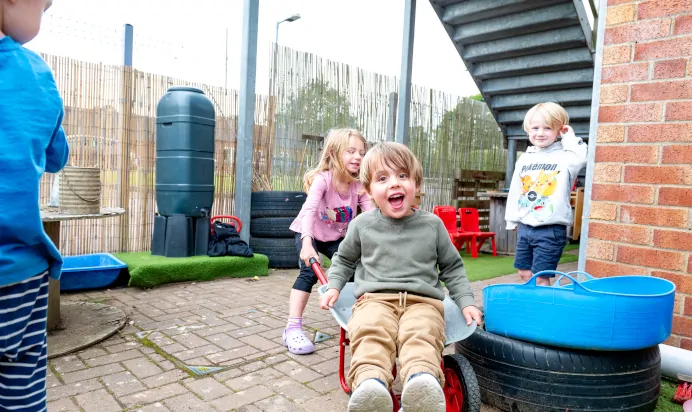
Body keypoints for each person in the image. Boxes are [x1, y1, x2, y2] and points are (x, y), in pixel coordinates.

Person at [319, 142, 483, 412]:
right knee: (370, 331)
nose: (394, 184)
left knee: (422, 334)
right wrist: (334, 286)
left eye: (403, 176)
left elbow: (452, 267)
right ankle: (371, 386)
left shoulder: (432, 225)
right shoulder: (362, 225)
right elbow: (344, 259)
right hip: (374, 300)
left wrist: (466, 301)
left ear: (416, 184)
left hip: (424, 302)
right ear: (369, 190)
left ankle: (422, 386)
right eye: (383, 178)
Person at [0, 0, 70, 411]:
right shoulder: (36, 74)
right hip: (18, 276)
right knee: (22, 392)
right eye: (44, 5)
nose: (45, 13)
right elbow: (55, 156)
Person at [284, 128, 373, 355]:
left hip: (335, 237)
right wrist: (306, 244)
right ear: (334, 153)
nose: (358, 157)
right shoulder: (323, 180)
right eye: (351, 151)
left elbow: (371, 218)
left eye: (362, 152)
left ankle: (354, 320)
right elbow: (309, 211)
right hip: (309, 232)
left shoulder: (358, 186)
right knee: (309, 272)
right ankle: (292, 327)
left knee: (352, 270)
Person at [505, 102, 587, 286]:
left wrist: (569, 136)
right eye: (535, 128)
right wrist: (512, 220)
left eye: (548, 128)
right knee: (525, 273)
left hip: (551, 229)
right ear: (527, 129)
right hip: (526, 227)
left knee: (541, 276)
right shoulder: (525, 158)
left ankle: (542, 310)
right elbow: (516, 190)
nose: (540, 133)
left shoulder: (566, 157)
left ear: (559, 130)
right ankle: (531, 305)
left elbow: (582, 156)